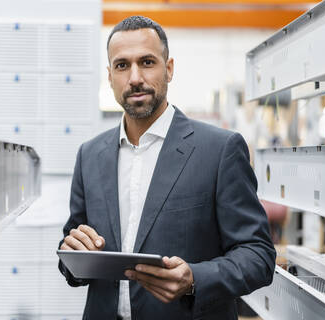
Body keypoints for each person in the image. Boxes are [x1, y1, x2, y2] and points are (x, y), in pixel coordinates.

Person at [58, 15, 275, 320]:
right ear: (109, 77)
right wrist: (73, 254)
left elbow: (258, 256)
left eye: (147, 62)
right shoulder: (90, 155)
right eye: (122, 66)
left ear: (169, 69)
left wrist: (195, 279)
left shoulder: (219, 150)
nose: (134, 77)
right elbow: (73, 252)